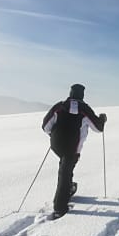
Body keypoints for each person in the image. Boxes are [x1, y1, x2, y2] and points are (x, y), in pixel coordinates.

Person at [42, 84, 106, 218]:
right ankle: (60, 206)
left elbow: (45, 126)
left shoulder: (59, 106)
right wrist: (102, 119)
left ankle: (68, 189)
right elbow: (98, 128)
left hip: (57, 145)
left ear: (70, 93)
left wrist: (53, 134)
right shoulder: (84, 109)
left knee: (66, 166)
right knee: (66, 170)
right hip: (73, 147)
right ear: (82, 94)